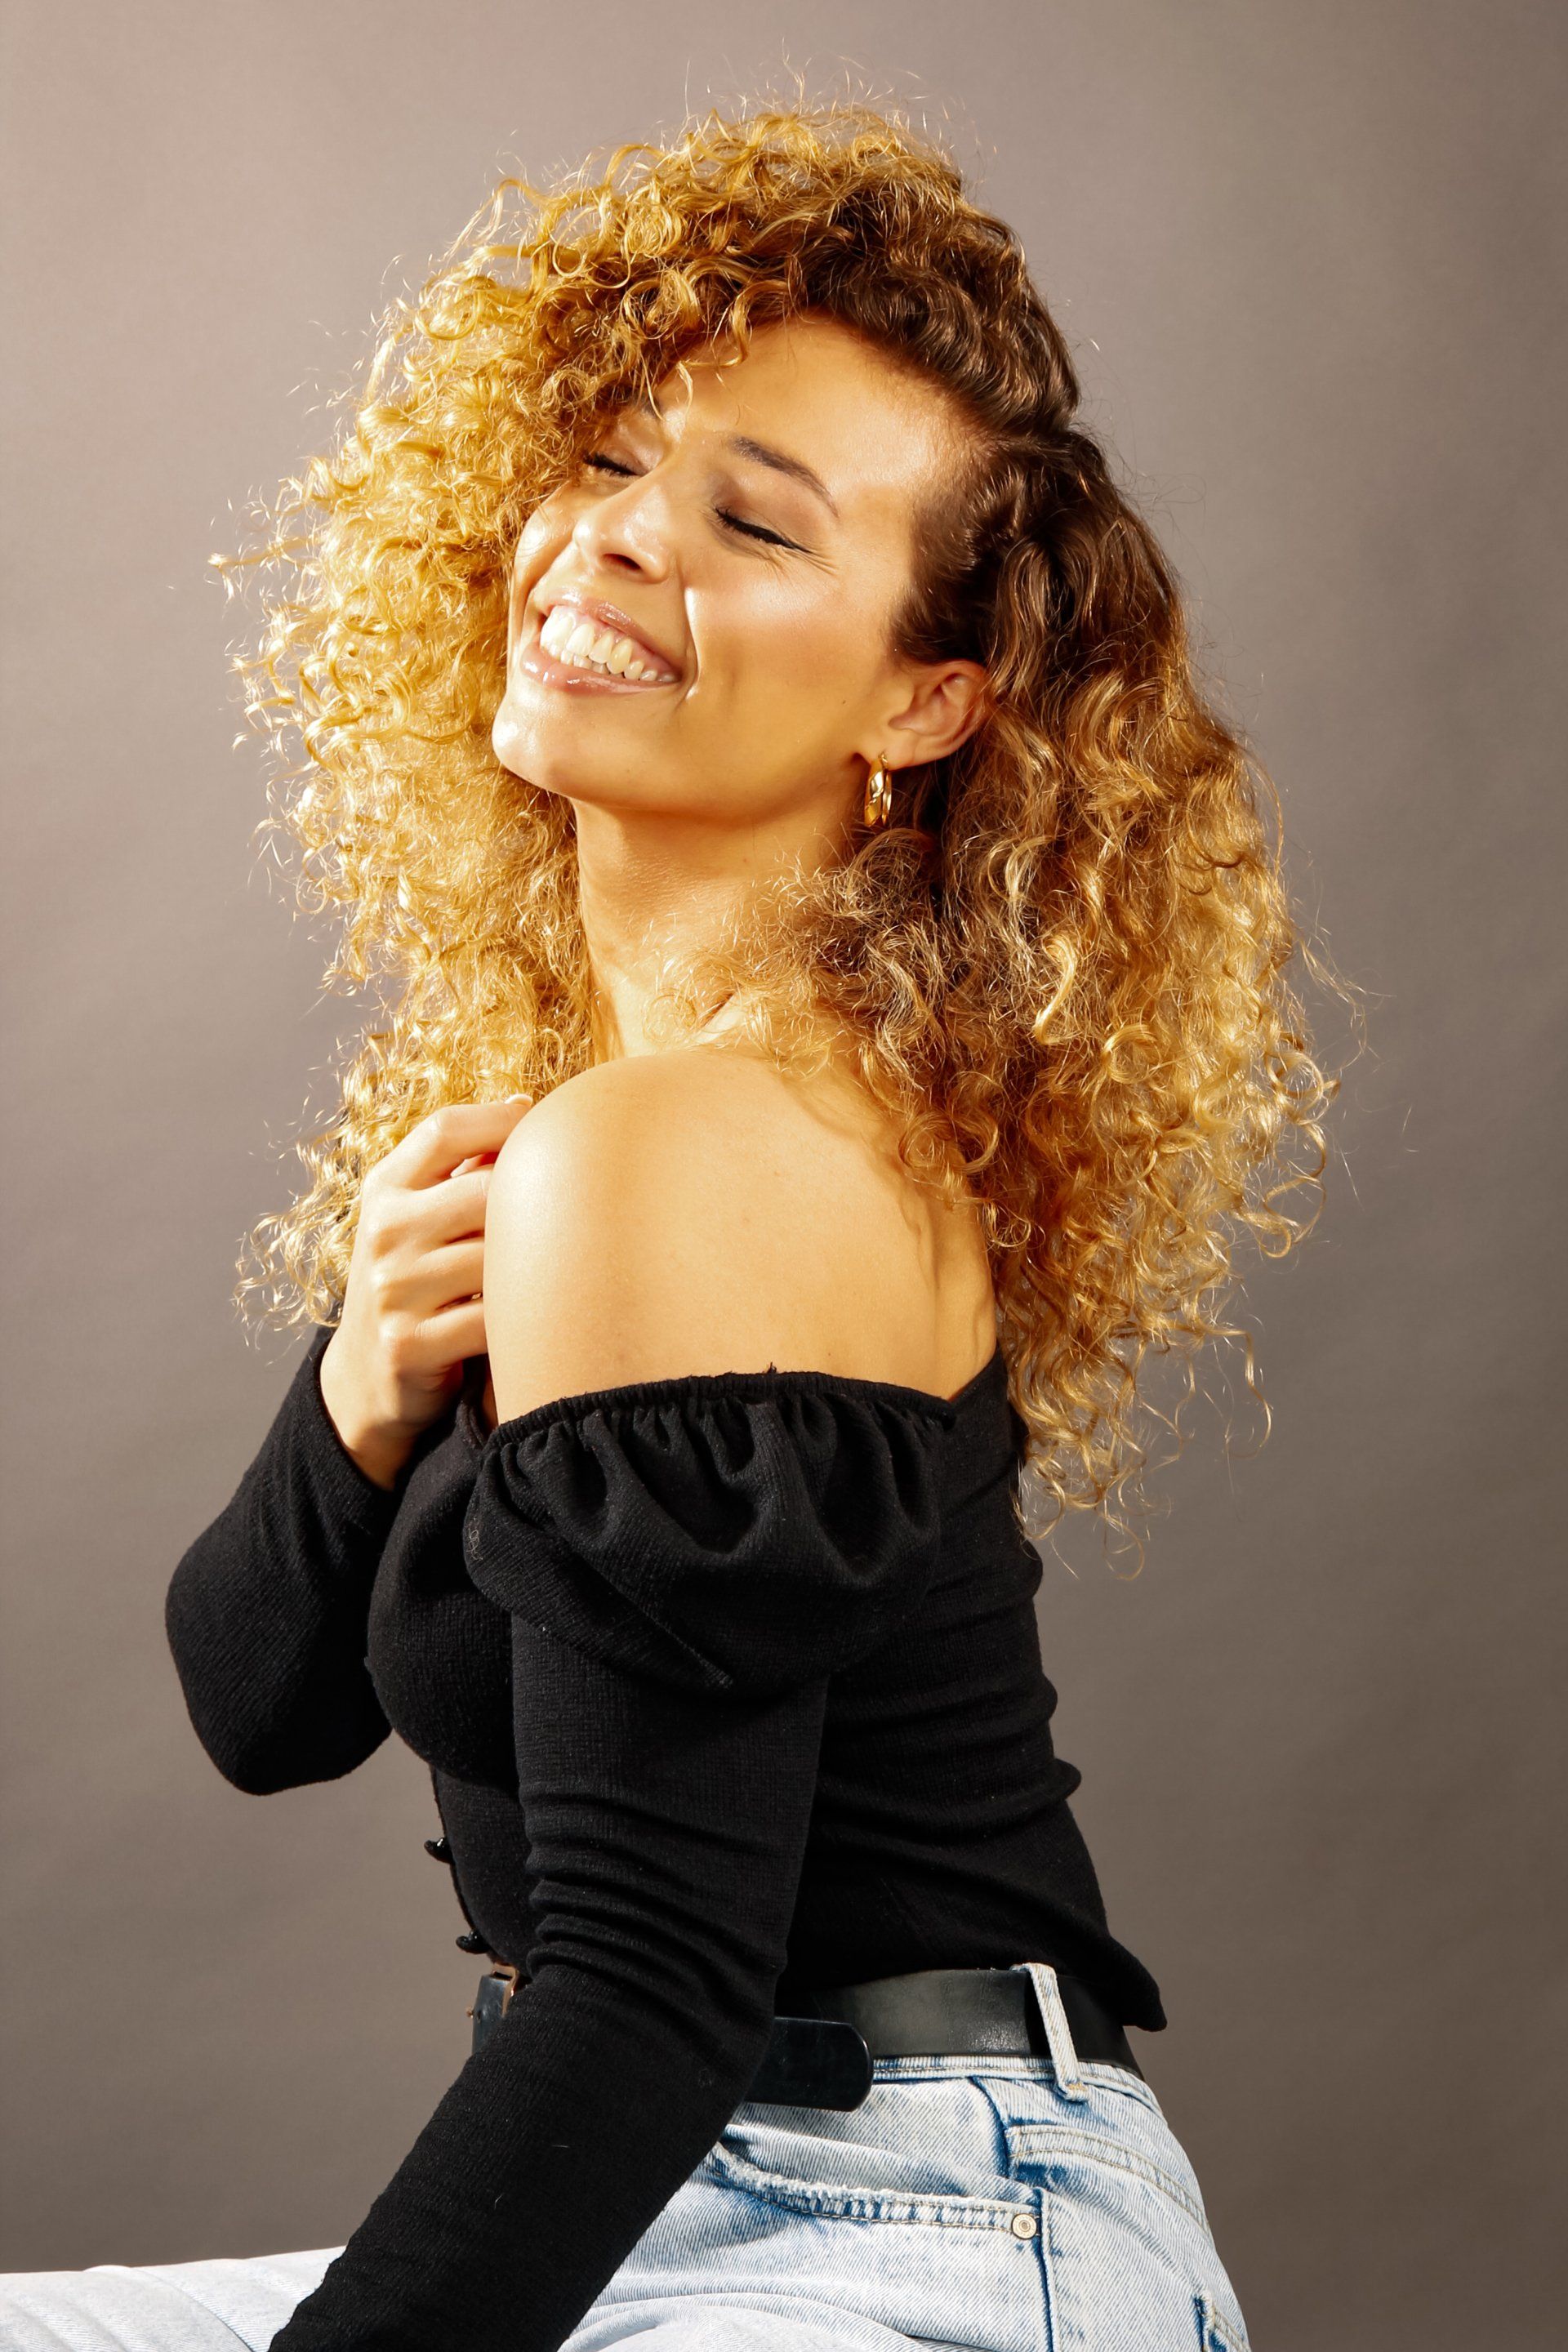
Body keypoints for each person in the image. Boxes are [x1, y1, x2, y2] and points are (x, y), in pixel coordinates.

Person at [1, 96, 1336, 2352]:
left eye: (752, 519)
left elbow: (648, 1986)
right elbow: (256, 1705)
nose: (618, 539)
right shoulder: (625, 1125)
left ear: (924, 699)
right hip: (694, 2198)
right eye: (611, 460)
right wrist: (356, 1397)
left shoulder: (695, 1147)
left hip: (921, 2230)